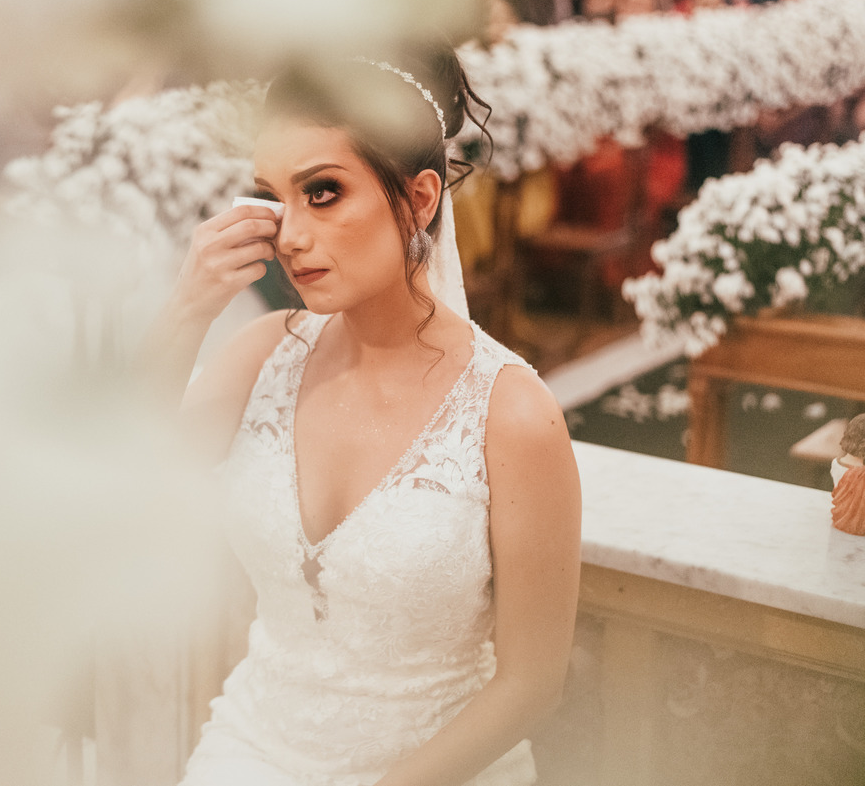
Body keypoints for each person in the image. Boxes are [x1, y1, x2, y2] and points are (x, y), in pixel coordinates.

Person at [145, 40, 581, 786]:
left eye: (322, 192)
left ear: (421, 198)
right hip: (252, 750)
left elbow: (532, 684)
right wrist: (184, 310)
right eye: (273, 197)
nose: (289, 235)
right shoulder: (263, 354)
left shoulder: (512, 414)